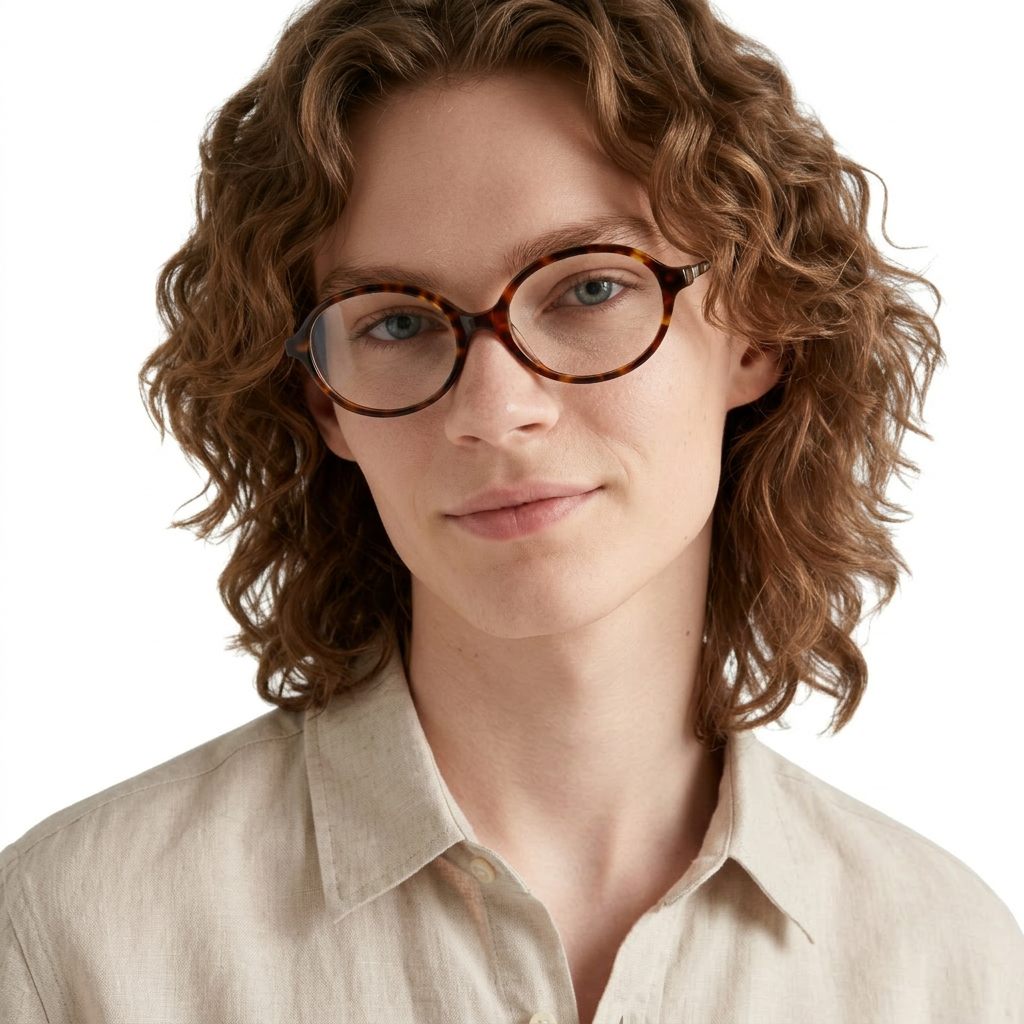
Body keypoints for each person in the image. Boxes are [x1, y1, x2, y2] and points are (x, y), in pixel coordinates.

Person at [1, 0, 1021, 1021]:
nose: (493, 411)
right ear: (326, 402)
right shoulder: (77, 941)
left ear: (757, 325)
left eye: (586, 290)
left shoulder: (945, 964)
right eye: (396, 321)